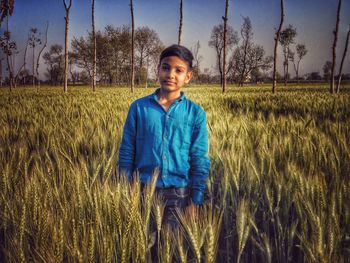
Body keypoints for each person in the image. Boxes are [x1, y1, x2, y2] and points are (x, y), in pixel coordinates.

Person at [118, 44, 210, 229]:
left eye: (179, 70)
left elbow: (200, 159)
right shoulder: (138, 108)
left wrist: (196, 200)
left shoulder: (195, 113)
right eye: (166, 67)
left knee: (171, 251)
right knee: (143, 249)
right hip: (142, 191)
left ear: (188, 76)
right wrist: (125, 191)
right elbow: (127, 152)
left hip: (179, 195)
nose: (171, 75)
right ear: (158, 69)